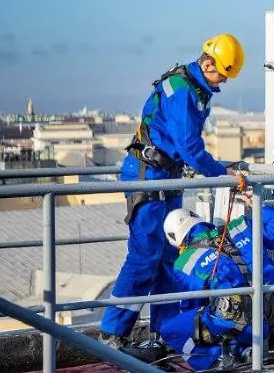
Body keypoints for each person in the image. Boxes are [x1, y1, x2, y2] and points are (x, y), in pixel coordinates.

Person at [99, 34, 248, 350]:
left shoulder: (194, 88)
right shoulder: (181, 90)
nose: (224, 81)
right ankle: (112, 333)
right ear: (208, 64)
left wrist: (217, 169)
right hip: (148, 176)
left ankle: (165, 332)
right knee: (145, 256)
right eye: (223, 73)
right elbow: (190, 147)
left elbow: (184, 147)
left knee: (169, 256)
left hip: (166, 175)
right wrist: (222, 174)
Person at [158, 206, 274, 370]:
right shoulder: (241, 227)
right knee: (223, 315)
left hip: (238, 327)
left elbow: (191, 308)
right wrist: (258, 205)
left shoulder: (185, 262)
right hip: (270, 321)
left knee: (170, 331)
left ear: (175, 239)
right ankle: (244, 350)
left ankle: (217, 361)